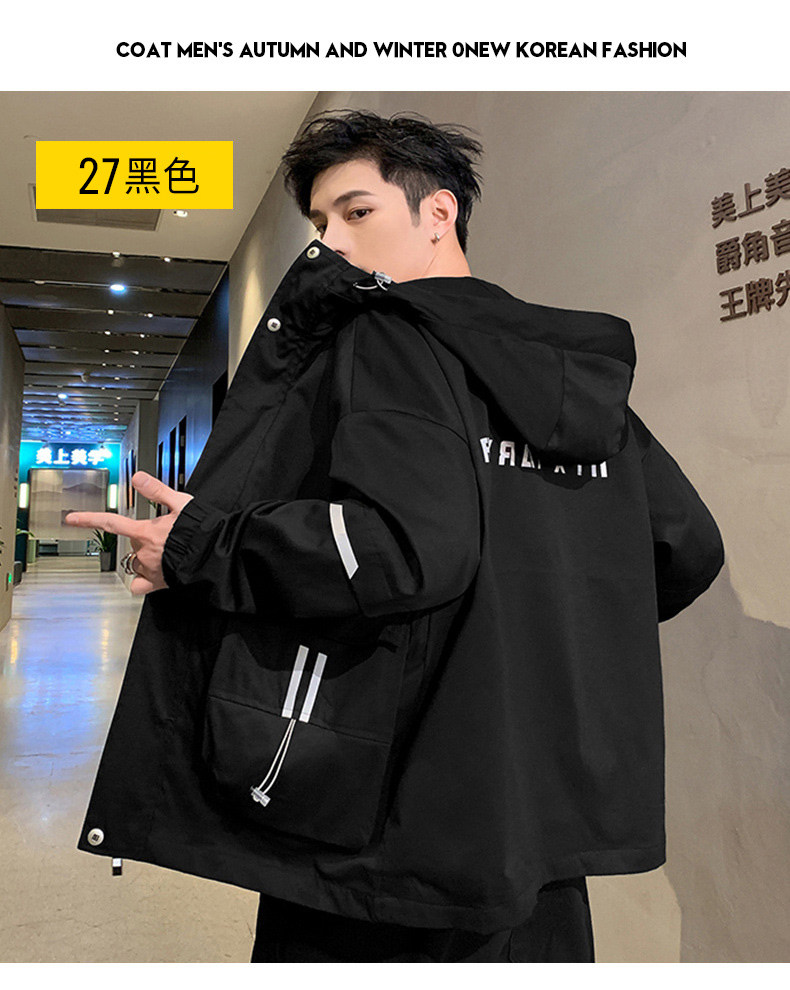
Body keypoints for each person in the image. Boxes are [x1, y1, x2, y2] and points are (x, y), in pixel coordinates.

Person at [65, 110, 725, 963]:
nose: (331, 244)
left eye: (357, 211)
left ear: (439, 212)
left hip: (391, 821)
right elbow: (686, 549)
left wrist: (203, 545)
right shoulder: (573, 375)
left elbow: (398, 552)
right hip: (539, 829)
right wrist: (539, 639)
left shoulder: (387, 339)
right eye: (321, 222)